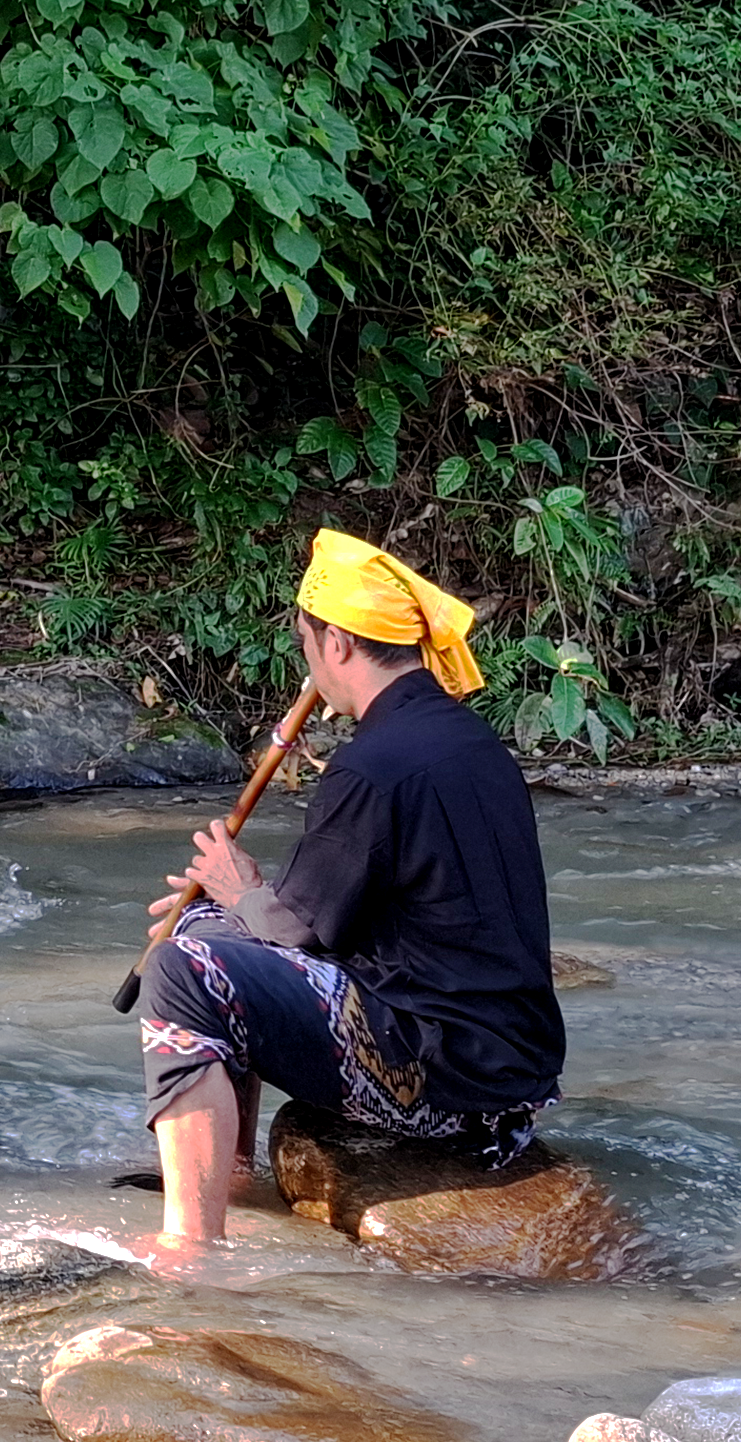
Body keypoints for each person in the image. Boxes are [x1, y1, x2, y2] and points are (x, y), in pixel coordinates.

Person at [133, 528, 564, 1265]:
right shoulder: (469, 742)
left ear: (336, 643)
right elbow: (349, 919)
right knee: (203, 927)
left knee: (182, 971)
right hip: (505, 1070)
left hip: (441, 1082)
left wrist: (241, 885)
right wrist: (234, 901)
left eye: (306, 643)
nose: (308, 663)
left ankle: (192, 1245)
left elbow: (295, 934)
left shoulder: (373, 766)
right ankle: (228, 1173)